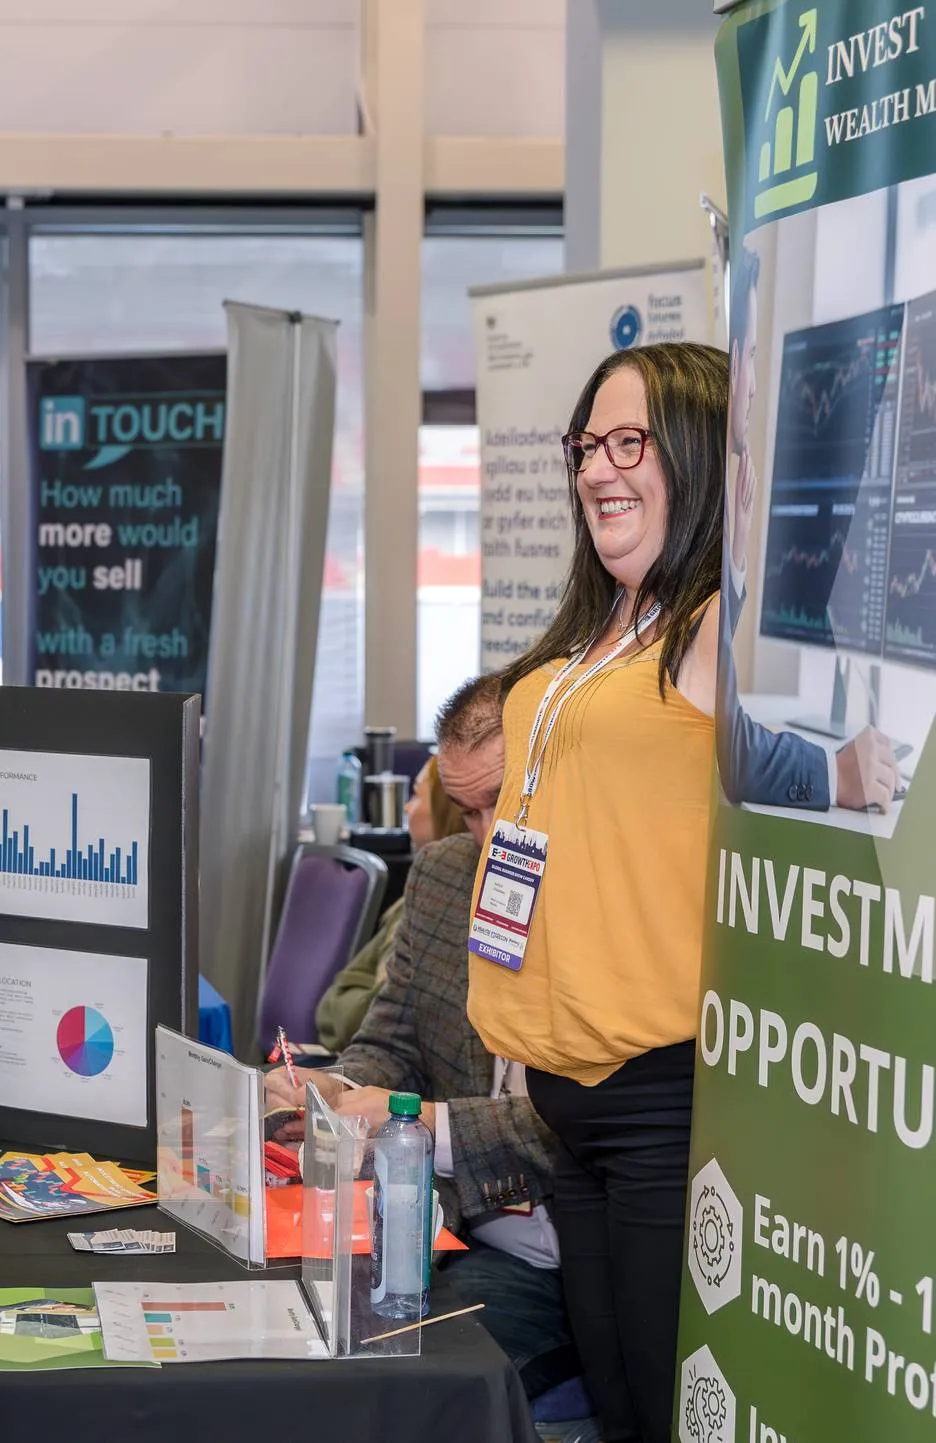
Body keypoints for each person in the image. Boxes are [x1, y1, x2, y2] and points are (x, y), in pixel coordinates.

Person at [467, 342, 727, 1443]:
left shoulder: (714, 625)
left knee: (664, 1412)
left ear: (701, 456)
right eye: (586, 446)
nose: (597, 471)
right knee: (622, 1414)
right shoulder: (597, 637)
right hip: (563, 1097)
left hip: (663, 1092)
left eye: (631, 443)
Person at [271, 676, 580, 1418]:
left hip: (573, 1259)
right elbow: (393, 1041)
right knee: (312, 1336)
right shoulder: (445, 877)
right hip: (450, 1225)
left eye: (499, 802)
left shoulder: (608, 902)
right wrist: (338, 1088)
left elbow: (583, 1122)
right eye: (467, 809)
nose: (486, 834)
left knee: (402, 1383)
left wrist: (422, 1123)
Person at [720, 240, 900, 811]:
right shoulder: (688, 501)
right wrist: (835, 776)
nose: (753, 385)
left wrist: (735, 560)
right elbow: (726, 748)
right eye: (749, 354)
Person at [312, 751, 466, 1051]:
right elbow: (338, 999)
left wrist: (345, 996)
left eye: (416, 795)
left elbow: (356, 1014)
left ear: (447, 809)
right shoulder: (411, 898)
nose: (407, 807)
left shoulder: (429, 907)